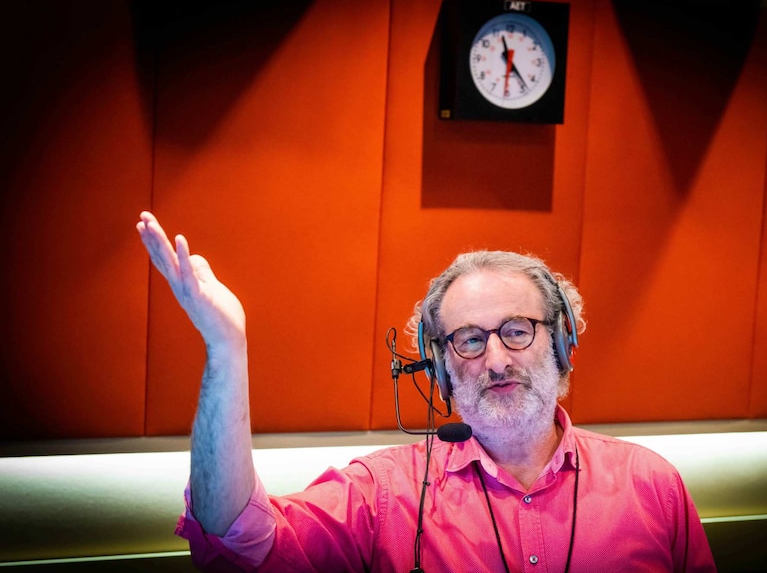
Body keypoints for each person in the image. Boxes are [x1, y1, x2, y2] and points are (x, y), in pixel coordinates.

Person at [137, 211, 716, 573]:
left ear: (562, 341)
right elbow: (237, 542)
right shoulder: (381, 493)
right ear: (440, 368)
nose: (495, 359)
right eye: (468, 340)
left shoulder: (653, 486)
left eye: (517, 330)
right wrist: (226, 350)